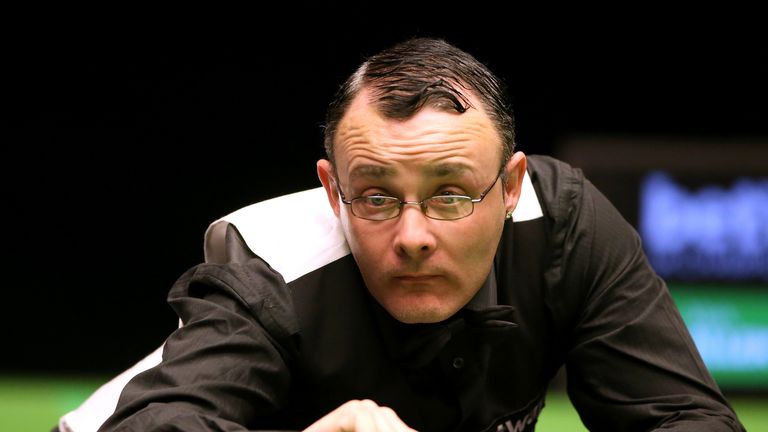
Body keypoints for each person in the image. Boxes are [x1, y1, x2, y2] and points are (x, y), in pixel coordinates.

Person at [77, 37, 743, 431]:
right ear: (333, 191)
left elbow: (687, 421)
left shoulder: (566, 227)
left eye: (452, 194)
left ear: (511, 188)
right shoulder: (270, 268)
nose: (414, 235)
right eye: (375, 197)